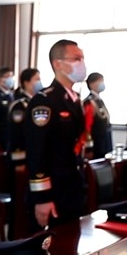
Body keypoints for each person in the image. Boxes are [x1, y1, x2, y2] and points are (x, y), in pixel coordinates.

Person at [24, 40, 87, 230]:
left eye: (82, 58)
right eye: (76, 59)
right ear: (58, 64)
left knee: (71, 243)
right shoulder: (44, 101)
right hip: (53, 191)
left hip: (72, 187)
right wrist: (42, 197)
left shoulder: (75, 99)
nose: (81, 63)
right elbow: (37, 151)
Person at [7, 68, 42, 168]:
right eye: (37, 79)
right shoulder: (19, 106)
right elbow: (16, 133)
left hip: (35, 155)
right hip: (23, 157)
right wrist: (19, 160)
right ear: (26, 83)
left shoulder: (37, 102)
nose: (39, 82)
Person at [82, 72, 112, 159]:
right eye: (100, 81)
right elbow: (87, 126)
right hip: (96, 145)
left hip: (104, 143)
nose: (102, 83)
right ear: (91, 84)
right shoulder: (89, 102)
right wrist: (89, 147)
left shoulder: (99, 100)